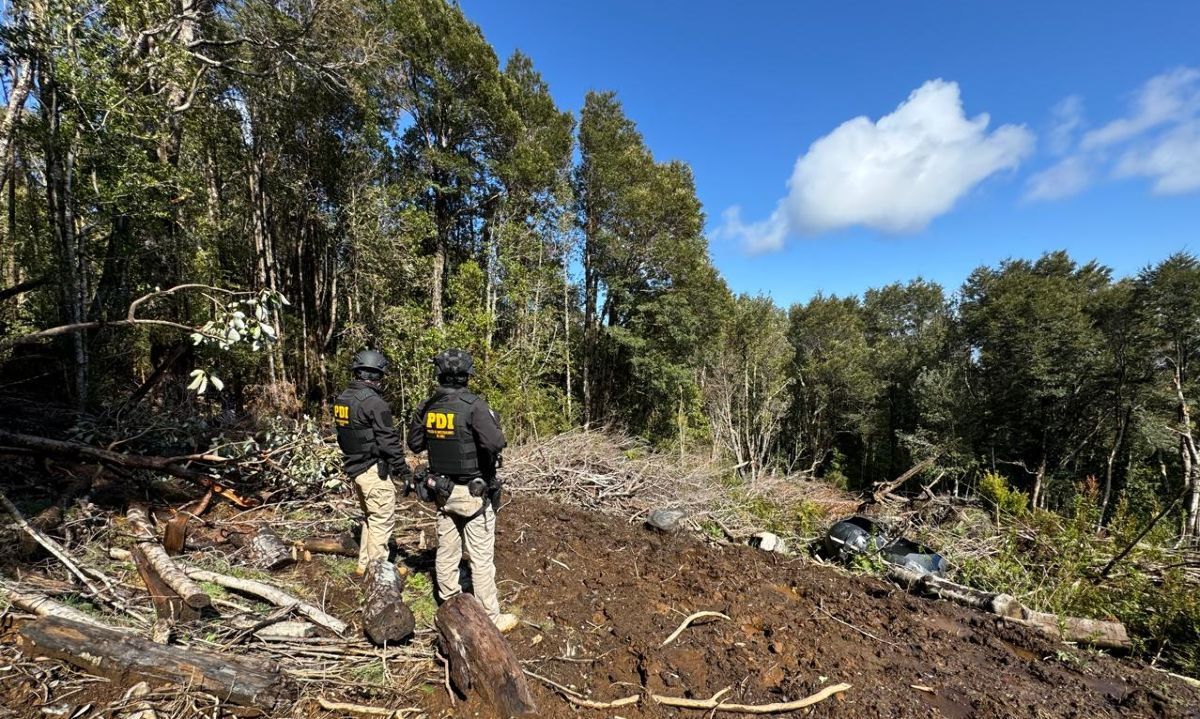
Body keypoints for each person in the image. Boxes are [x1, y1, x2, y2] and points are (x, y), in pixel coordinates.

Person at [407, 348, 516, 633]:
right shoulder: (474, 406)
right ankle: (490, 618)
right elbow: (496, 443)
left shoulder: (428, 406)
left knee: (447, 551)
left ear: (440, 374)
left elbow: (415, 444)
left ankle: (449, 603)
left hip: (441, 491)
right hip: (472, 493)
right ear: (467, 375)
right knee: (480, 559)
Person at [332, 349, 411, 576]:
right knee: (381, 522)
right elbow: (389, 442)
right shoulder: (375, 403)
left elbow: (342, 436)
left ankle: (363, 566)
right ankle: (378, 576)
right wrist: (403, 471)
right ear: (377, 375)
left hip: (355, 469)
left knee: (370, 518)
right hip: (372, 471)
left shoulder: (343, 398)